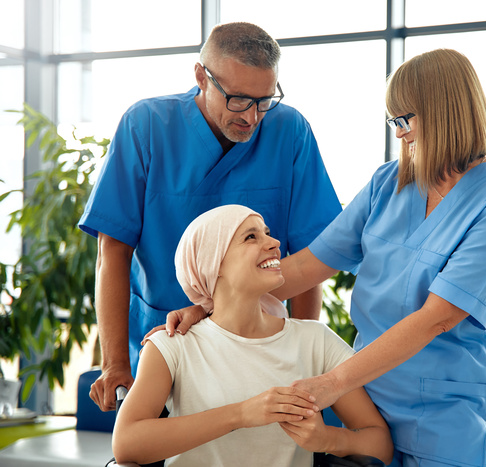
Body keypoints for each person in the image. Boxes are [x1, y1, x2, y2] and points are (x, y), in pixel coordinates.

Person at [161, 48, 486, 466]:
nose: (399, 134)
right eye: (393, 121)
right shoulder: (388, 183)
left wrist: (333, 383)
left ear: (443, 113)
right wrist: (212, 303)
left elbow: (438, 317)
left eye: (404, 120)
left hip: (438, 417)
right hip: (364, 403)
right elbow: (306, 266)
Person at [78, 22, 341, 412]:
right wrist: (115, 361)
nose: (252, 117)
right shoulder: (146, 126)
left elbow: (310, 255)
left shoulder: (290, 131)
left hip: (259, 350)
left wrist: (300, 356)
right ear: (201, 76)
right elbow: (113, 250)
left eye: (264, 100)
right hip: (165, 343)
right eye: (238, 99)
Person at [112, 205, 393, 466]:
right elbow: (126, 443)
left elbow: (380, 443)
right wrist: (243, 414)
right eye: (250, 237)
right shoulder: (171, 346)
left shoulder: (316, 341)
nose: (274, 243)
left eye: (268, 234)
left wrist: (329, 440)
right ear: (213, 264)